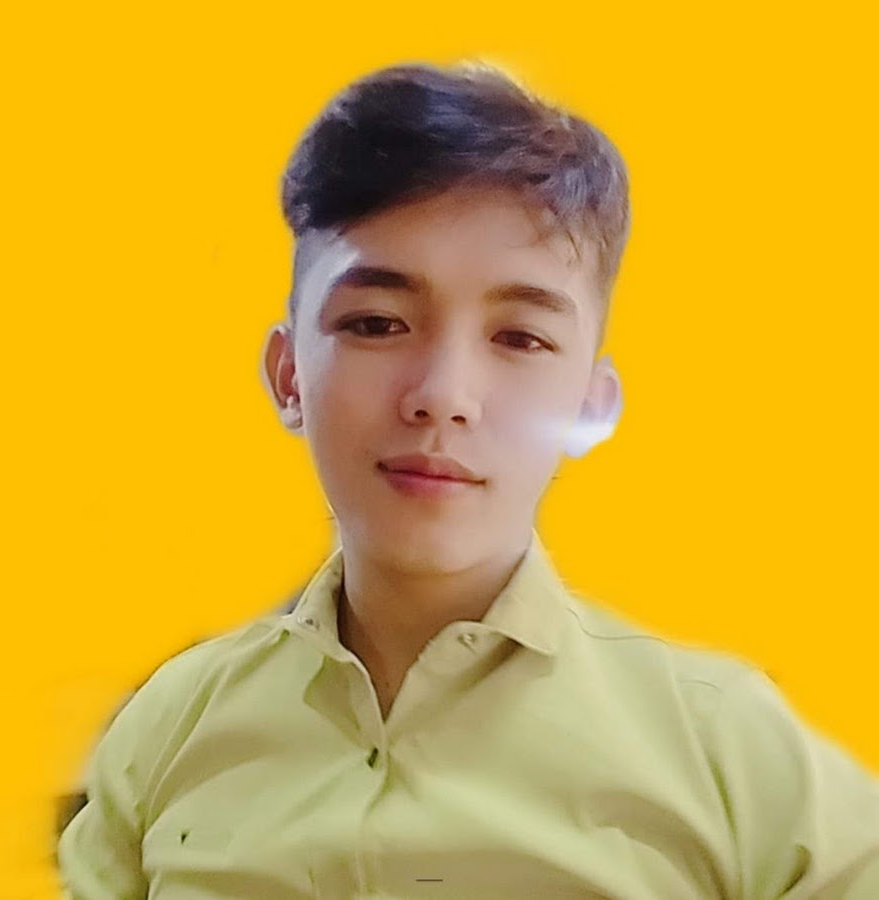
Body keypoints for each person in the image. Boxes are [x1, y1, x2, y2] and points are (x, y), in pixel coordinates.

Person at [58, 62, 879, 899]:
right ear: (289, 375)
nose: (444, 396)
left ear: (590, 407)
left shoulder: (729, 753)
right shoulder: (169, 732)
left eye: (520, 339)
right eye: (377, 323)